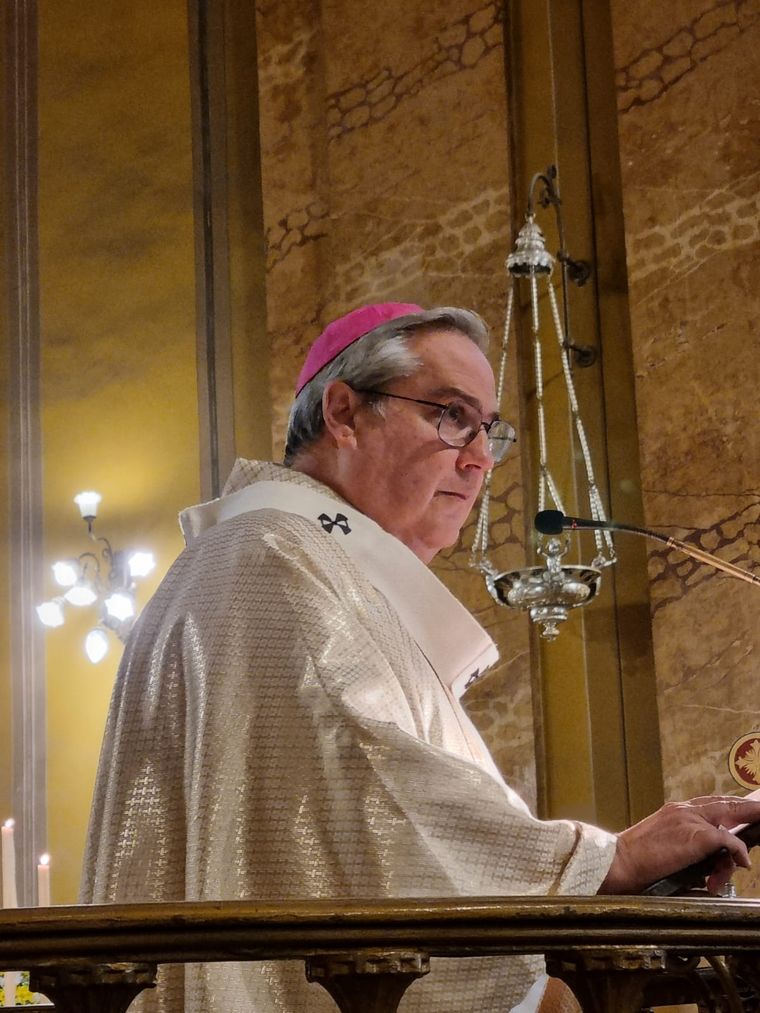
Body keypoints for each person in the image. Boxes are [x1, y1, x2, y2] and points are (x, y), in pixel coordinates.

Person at [81, 302, 760, 1013]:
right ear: (343, 412)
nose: (478, 458)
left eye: (488, 431)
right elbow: (372, 779)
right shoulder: (272, 553)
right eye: (450, 415)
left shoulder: (311, 562)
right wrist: (605, 860)